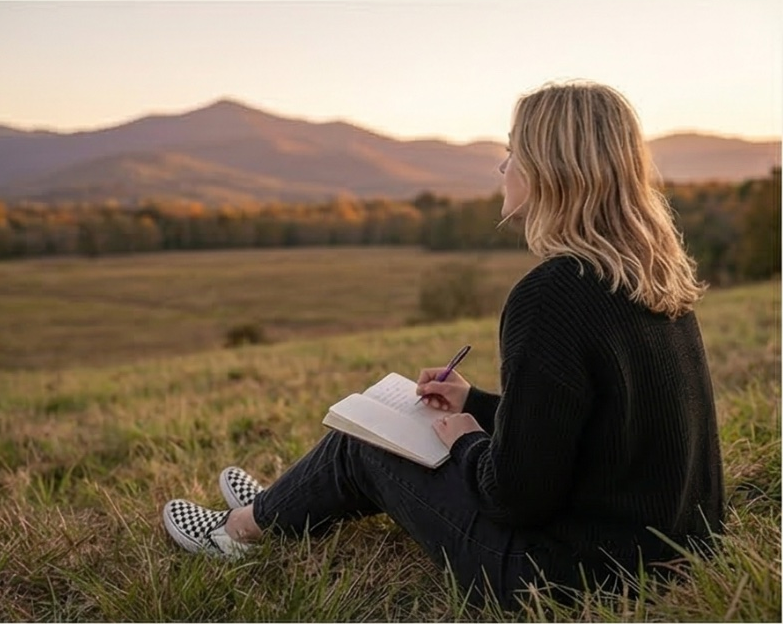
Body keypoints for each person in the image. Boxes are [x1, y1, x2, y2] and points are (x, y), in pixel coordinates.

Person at [162, 80, 724, 608]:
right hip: (668, 556)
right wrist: (473, 403)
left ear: (553, 171)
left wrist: (466, 444)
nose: (504, 166)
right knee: (385, 428)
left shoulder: (552, 293)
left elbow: (518, 496)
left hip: (561, 580)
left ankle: (238, 532)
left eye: (514, 152)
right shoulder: (654, 275)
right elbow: (598, 428)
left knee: (365, 440)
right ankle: (281, 505)